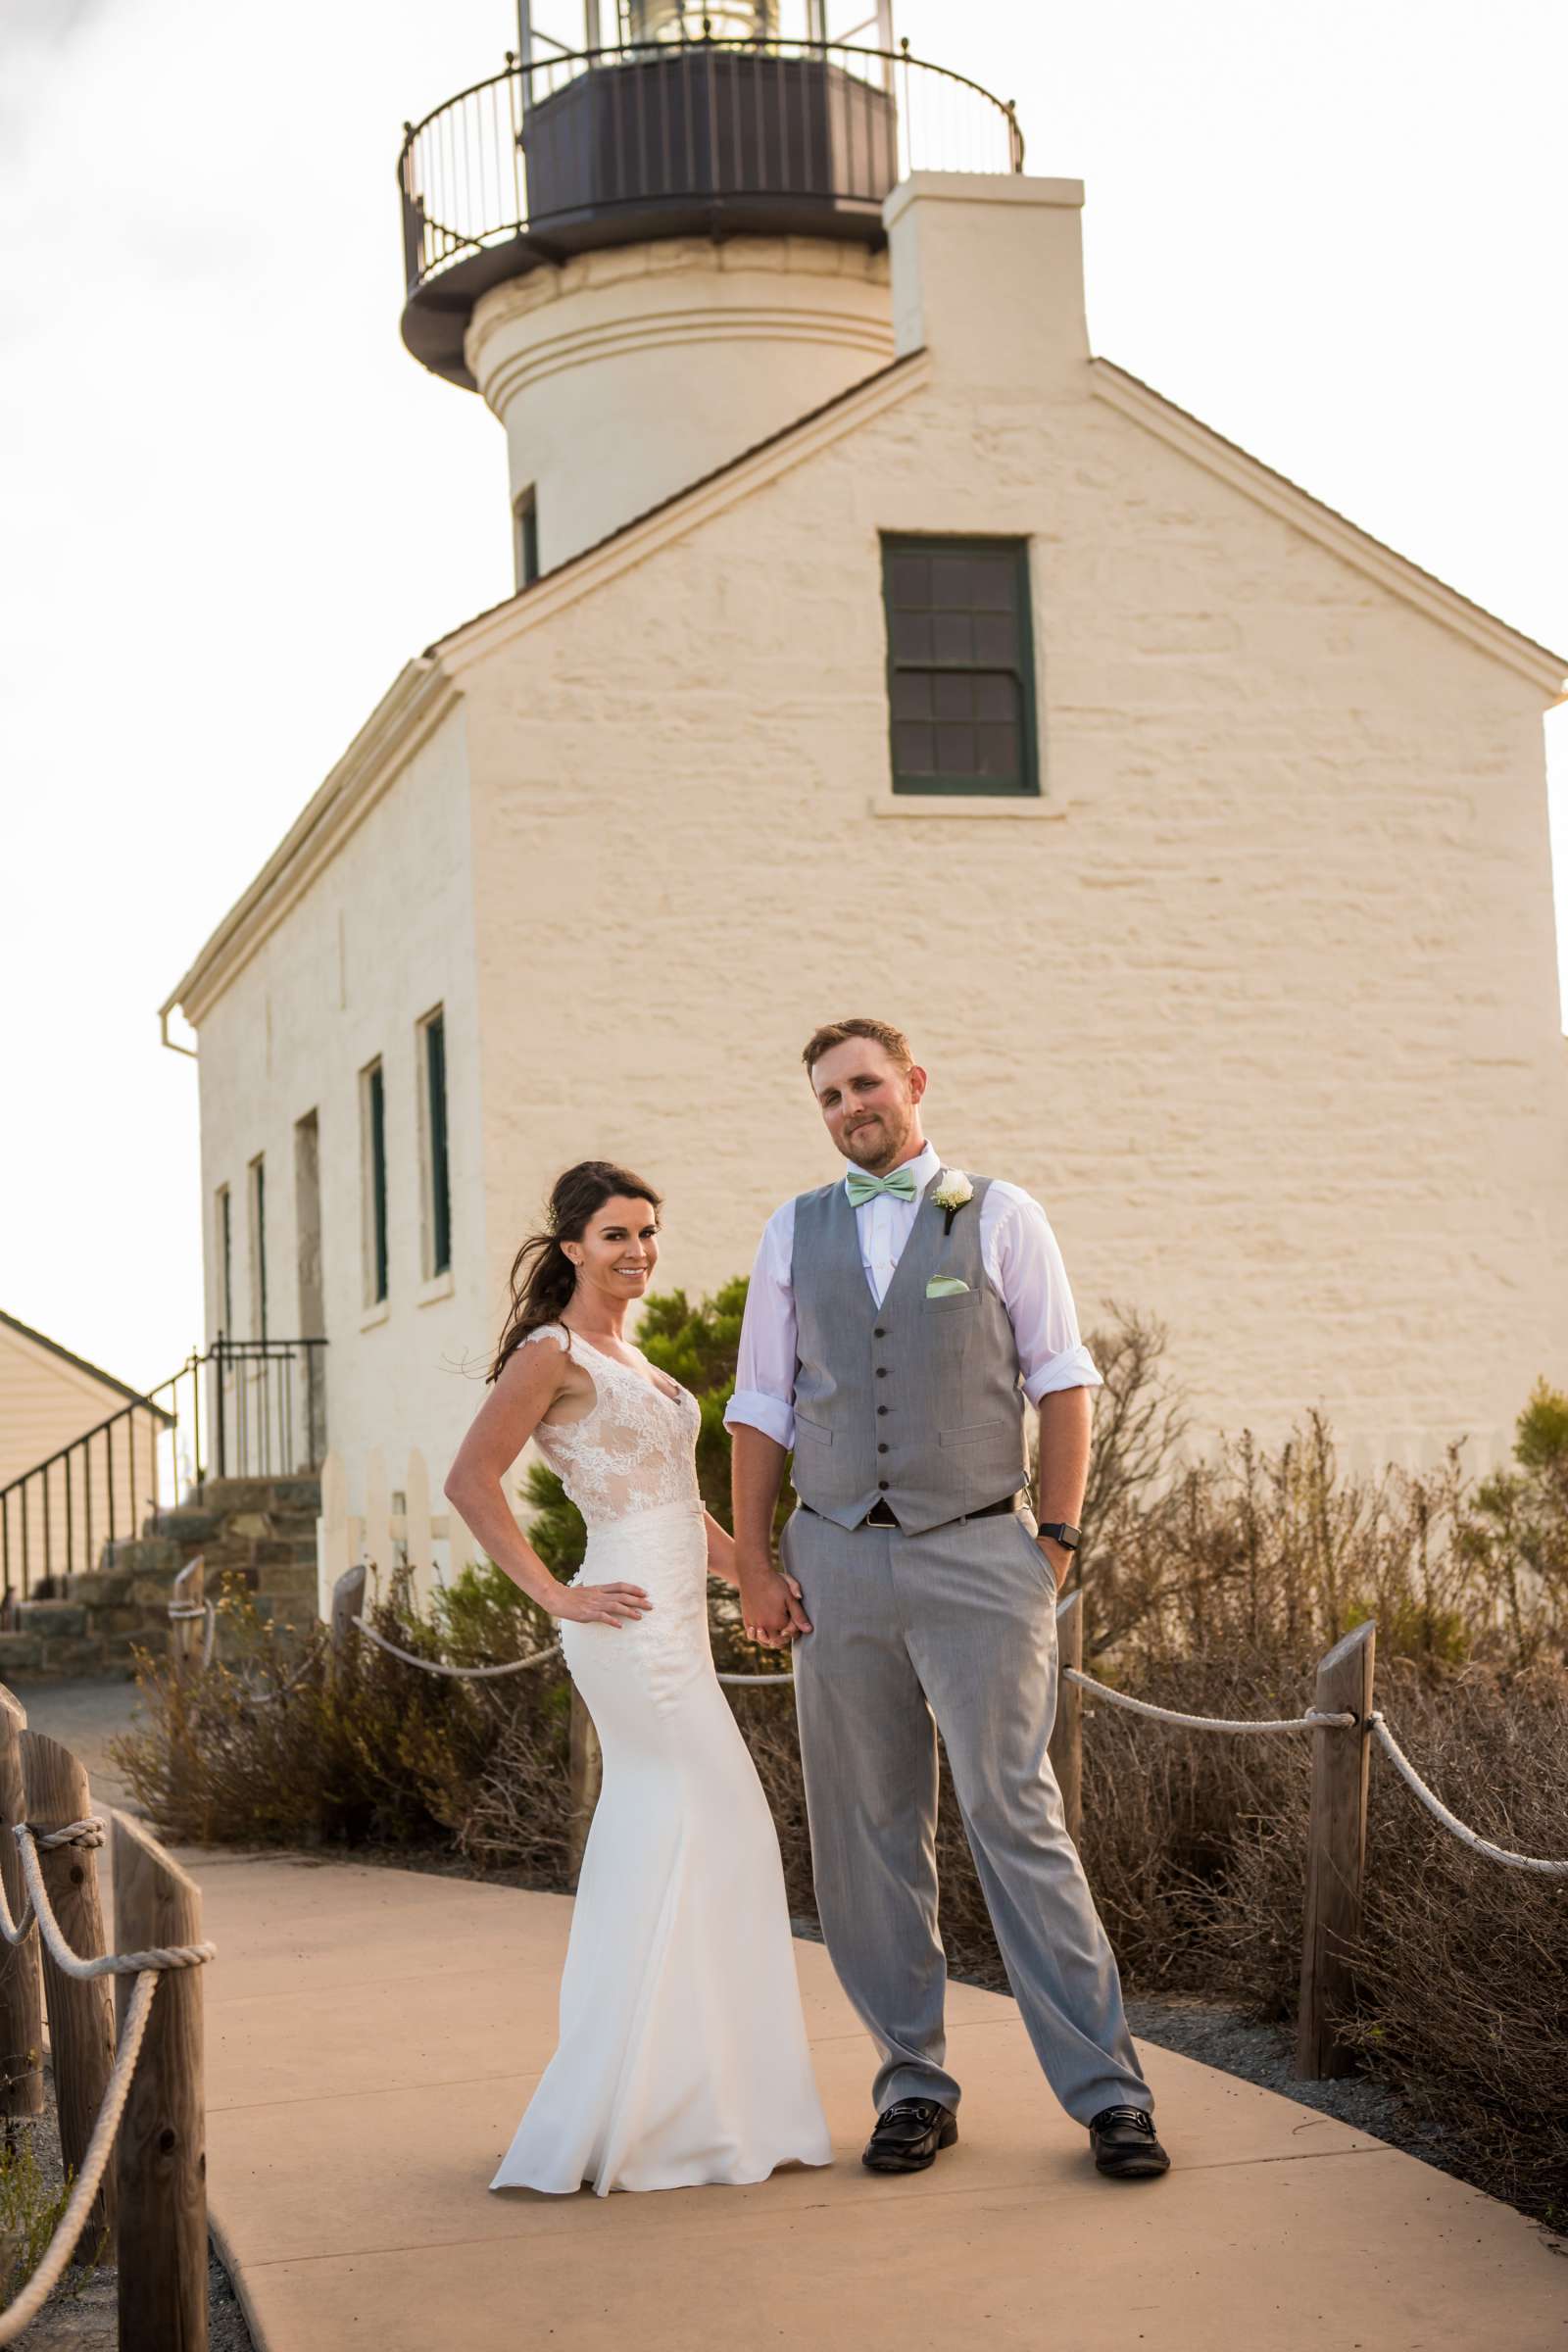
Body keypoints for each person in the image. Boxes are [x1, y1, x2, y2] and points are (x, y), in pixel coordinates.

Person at [725, 1019, 1170, 2182]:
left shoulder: (1002, 1215)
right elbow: (761, 1406)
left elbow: (1064, 1379)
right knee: (867, 1836)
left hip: (981, 1557)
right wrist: (760, 1567)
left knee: (1016, 1819)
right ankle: (911, 2084)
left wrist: (1056, 1543)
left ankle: (1110, 2093)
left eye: (864, 1085)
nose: (847, 1108)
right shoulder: (791, 1231)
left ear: (913, 1085)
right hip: (834, 1566)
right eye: (827, 1095)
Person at [445, 1159, 830, 2197]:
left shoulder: (633, 1351)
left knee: (690, 1840)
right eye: (616, 1234)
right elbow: (469, 1480)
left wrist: (755, 1574)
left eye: (649, 1232)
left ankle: (690, 2100)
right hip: (624, 1624)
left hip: (679, 1625)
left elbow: (679, 1507)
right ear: (572, 1245)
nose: (639, 1251)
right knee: (708, 1825)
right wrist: (553, 1595)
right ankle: (645, 2109)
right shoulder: (550, 1351)